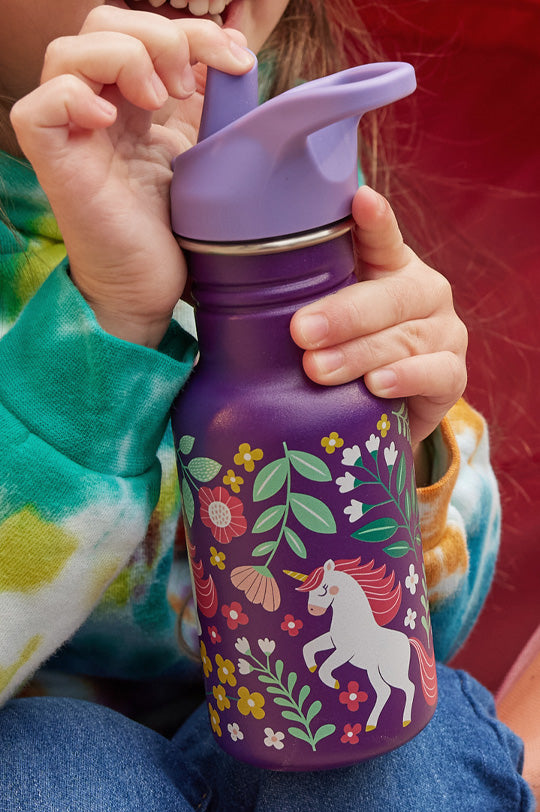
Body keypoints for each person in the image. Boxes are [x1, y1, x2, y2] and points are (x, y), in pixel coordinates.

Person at [0, 1, 533, 810]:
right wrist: (103, 327)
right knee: (60, 767)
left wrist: (400, 452)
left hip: (314, 737)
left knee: (397, 756)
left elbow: (431, 632)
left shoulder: (299, 154)